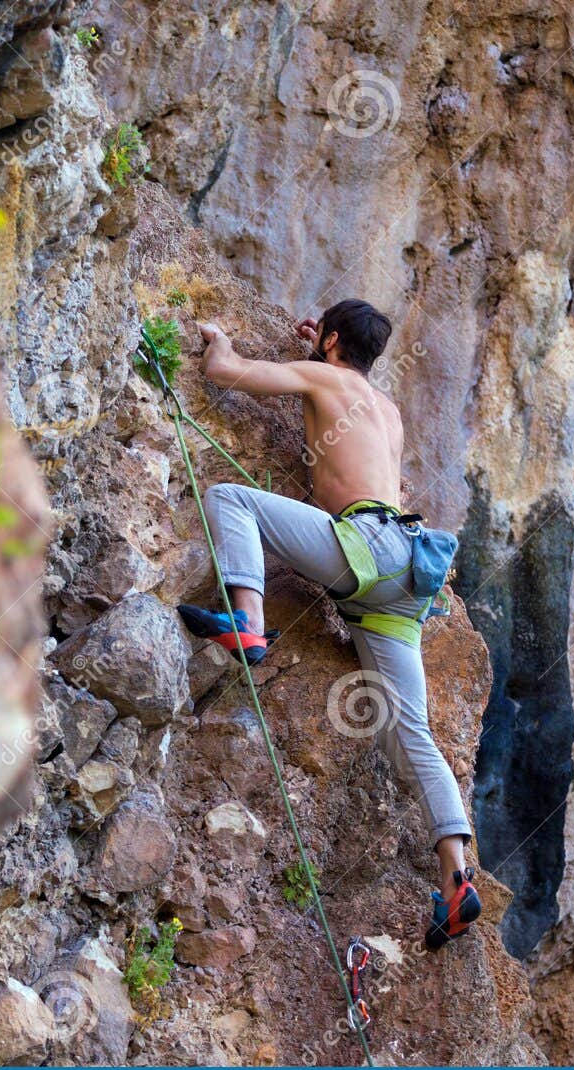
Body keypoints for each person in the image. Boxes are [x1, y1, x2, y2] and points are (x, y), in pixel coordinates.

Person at [177, 299, 479, 949]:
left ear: (332, 339)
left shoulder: (322, 377)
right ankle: (458, 877)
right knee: (412, 732)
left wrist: (218, 337)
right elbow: (348, 404)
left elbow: (226, 372)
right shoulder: (388, 410)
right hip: (406, 577)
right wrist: (321, 352)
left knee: (231, 499)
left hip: (363, 549)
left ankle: (249, 622)